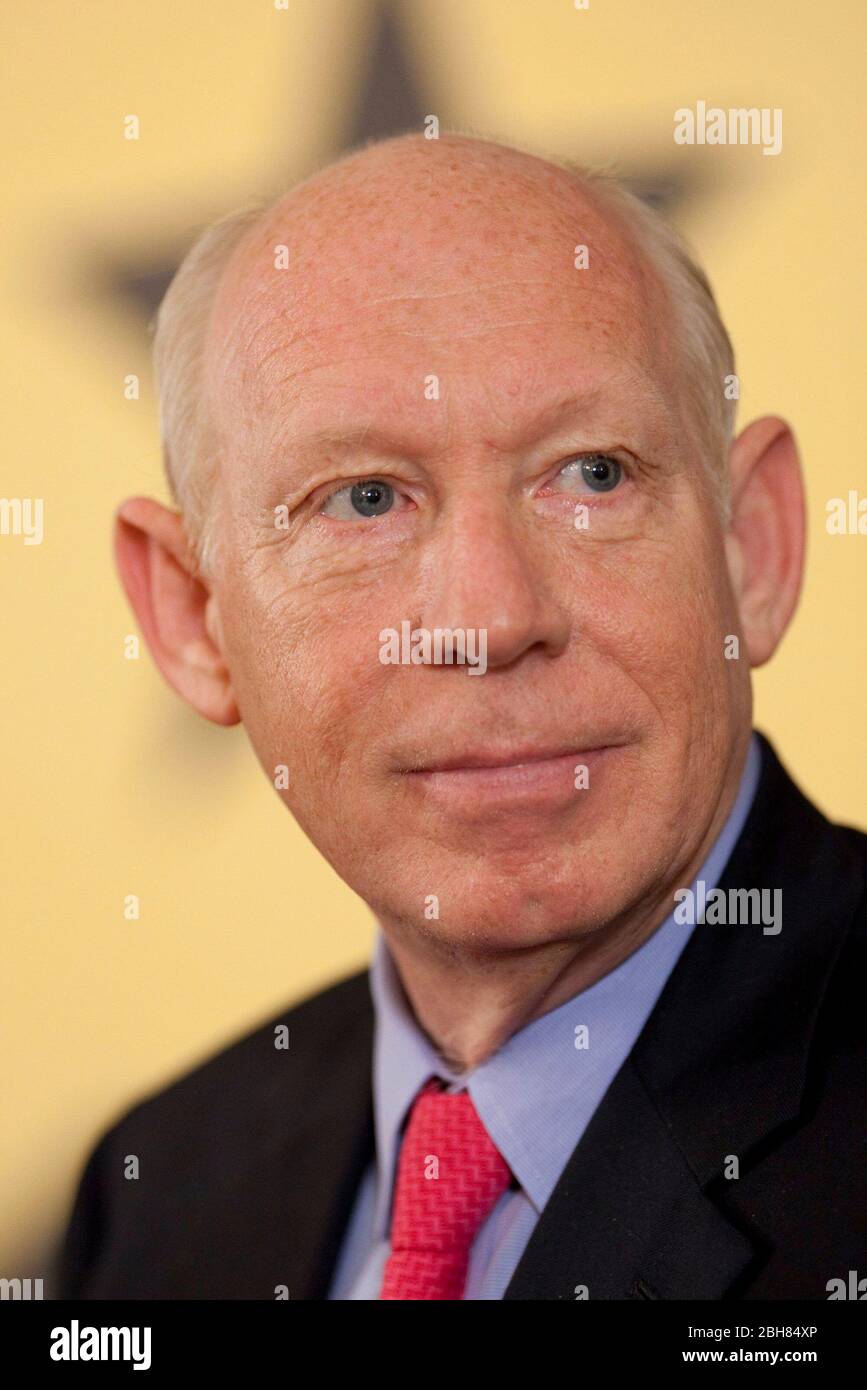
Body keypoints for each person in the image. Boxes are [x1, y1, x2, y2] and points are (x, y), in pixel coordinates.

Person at [57, 132, 866, 1300]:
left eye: (592, 473)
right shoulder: (158, 1194)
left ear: (753, 549)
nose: (490, 618)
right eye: (365, 499)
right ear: (194, 614)